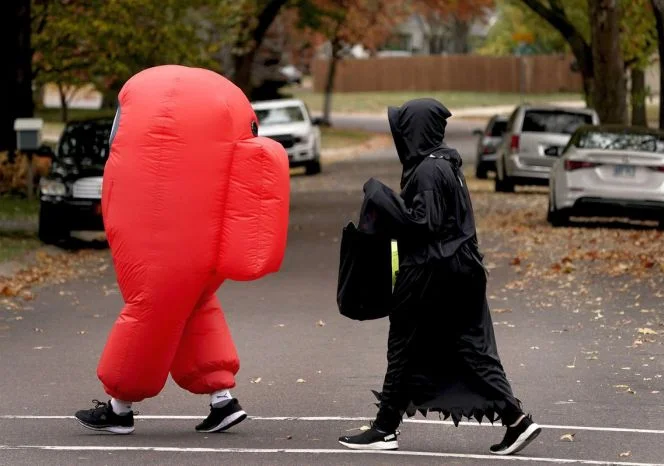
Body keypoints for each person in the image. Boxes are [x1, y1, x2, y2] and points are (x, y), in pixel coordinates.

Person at [74, 65, 290, 434]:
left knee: (151, 307)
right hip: (202, 246)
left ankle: (119, 406)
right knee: (194, 303)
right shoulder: (224, 105)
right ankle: (222, 399)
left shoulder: (154, 114)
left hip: (165, 242)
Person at [338, 98, 541, 455]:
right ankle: (516, 420)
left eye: (404, 129)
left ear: (415, 131)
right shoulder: (446, 165)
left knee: (405, 347)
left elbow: (424, 224)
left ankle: (384, 429)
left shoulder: (429, 171)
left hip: (432, 273)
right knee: (467, 348)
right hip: (460, 270)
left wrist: (380, 196)